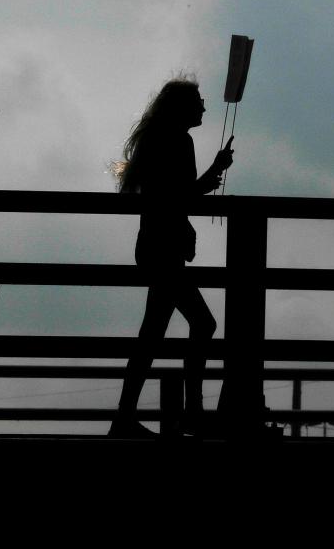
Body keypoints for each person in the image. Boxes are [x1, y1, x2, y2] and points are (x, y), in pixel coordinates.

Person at [108, 77, 234, 438]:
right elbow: (180, 198)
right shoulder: (179, 140)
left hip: (154, 246)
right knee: (201, 325)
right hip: (165, 249)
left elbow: (170, 195)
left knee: (152, 336)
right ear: (183, 108)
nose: (204, 107)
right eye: (198, 101)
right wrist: (215, 169)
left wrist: (210, 173)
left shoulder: (157, 139)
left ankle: (126, 418)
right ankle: (190, 412)